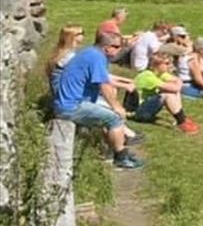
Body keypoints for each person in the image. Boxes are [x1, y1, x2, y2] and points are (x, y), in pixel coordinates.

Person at [53, 32, 143, 169]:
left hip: (72, 103)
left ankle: (114, 152)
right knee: (114, 118)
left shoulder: (91, 53)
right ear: (107, 47)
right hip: (72, 106)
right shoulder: (97, 57)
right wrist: (117, 106)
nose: (120, 50)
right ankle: (121, 158)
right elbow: (104, 85)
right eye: (117, 46)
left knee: (106, 115)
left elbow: (105, 80)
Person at [133, 53, 200, 134]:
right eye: (167, 63)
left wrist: (177, 85)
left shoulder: (160, 73)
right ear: (156, 64)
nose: (170, 65)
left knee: (172, 91)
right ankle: (181, 122)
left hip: (148, 108)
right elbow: (176, 86)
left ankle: (182, 118)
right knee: (168, 94)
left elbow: (178, 80)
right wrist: (176, 85)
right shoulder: (147, 76)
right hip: (139, 112)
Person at [46, 24, 84, 93]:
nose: (83, 36)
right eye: (80, 34)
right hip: (64, 91)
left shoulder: (64, 52)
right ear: (71, 37)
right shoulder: (68, 56)